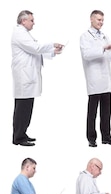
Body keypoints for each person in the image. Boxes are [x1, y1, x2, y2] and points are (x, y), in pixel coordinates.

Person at [11, 10, 63, 146]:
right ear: (23, 21)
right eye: (31, 20)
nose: (34, 23)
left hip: (29, 77)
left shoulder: (25, 34)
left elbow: (35, 52)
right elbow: (35, 48)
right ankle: (18, 137)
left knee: (27, 107)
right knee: (22, 108)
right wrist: (52, 45)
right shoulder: (19, 33)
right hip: (24, 77)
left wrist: (52, 51)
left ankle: (22, 133)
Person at [80, 10, 111, 148]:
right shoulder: (85, 36)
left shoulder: (105, 36)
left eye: (102, 20)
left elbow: (110, 56)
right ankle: (91, 138)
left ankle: (106, 137)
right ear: (91, 19)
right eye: (98, 19)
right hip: (94, 78)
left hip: (106, 80)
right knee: (92, 112)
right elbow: (86, 54)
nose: (101, 22)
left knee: (106, 111)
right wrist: (103, 48)